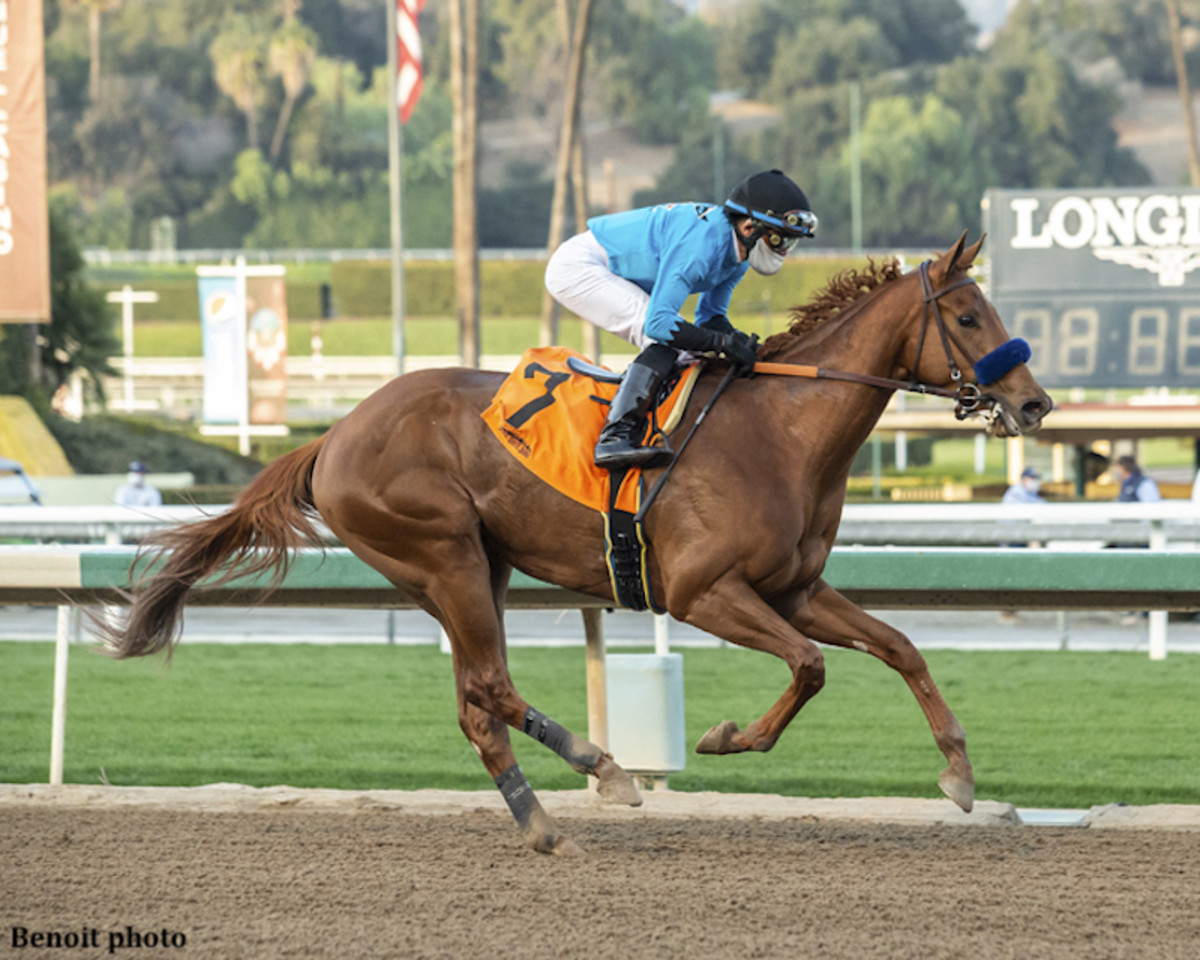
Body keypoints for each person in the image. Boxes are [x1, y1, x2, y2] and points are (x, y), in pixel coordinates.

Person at [544, 168, 818, 469]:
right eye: (782, 240)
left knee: (689, 350)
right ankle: (614, 437)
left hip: (613, 270)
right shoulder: (701, 246)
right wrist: (720, 342)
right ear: (751, 227)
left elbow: (709, 317)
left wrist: (737, 341)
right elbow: (659, 325)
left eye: (790, 243)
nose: (785, 251)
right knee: (664, 343)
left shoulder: (738, 256)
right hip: (579, 266)